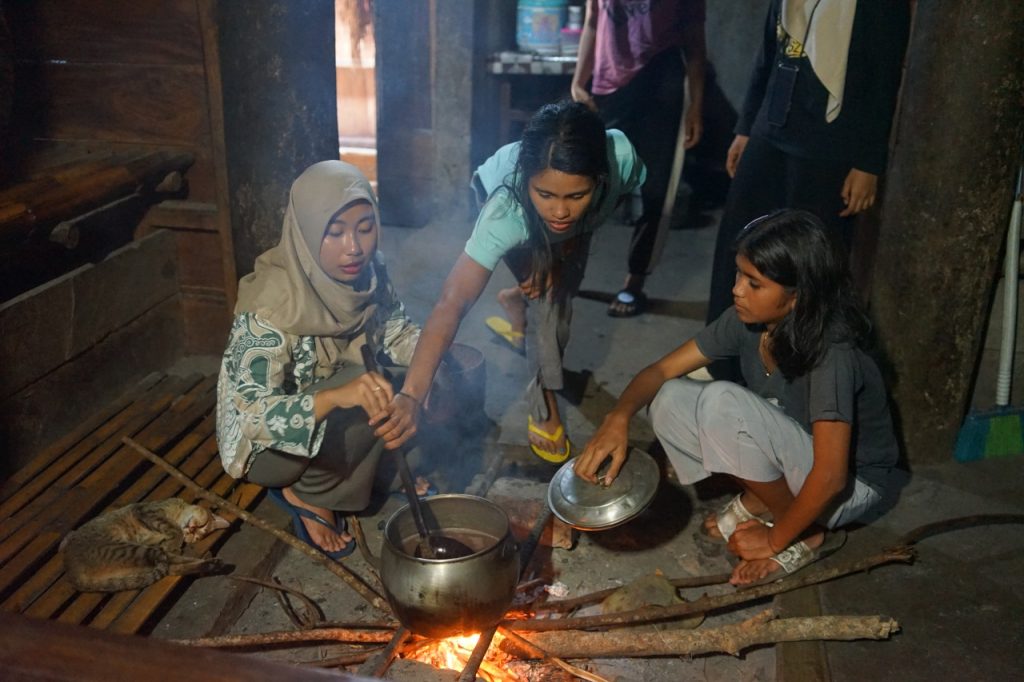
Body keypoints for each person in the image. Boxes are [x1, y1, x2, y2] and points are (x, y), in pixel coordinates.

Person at [575, 210, 898, 586]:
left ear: (797, 297)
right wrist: (619, 417)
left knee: (721, 402)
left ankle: (803, 533)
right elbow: (659, 372)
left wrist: (774, 539)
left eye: (754, 283)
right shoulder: (750, 321)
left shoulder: (832, 356)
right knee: (668, 397)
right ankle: (764, 499)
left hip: (850, 488)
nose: (737, 290)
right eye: (739, 274)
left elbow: (830, 476)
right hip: (799, 452)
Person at [380, 100, 646, 464]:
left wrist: (568, 244)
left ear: (599, 177)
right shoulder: (505, 211)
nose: (560, 210)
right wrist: (411, 394)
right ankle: (544, 403)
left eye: (576, 195)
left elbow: (599, 208)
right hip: (501, 199)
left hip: (570, 227)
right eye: (547, 194)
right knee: (551, 303)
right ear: (528, 180)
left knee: (562, 284)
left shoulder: (621, 158)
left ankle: (517, 300)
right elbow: (452, 302)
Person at [215, 160, 428, 560]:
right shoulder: (270, 306)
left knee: (416, 374)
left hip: (339, 398)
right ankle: (308, 495)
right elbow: (252, 418)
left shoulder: (369, 272)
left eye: (365, 228)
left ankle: (371, 471)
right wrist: (335, 397)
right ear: (307, 232)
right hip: (267, 451)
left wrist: (433, 359)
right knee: (364, 383)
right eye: (335, 232)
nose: (354, 246)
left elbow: (396, 331)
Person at [705, 0, 910, 358]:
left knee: (811, 265)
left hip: (829, 146)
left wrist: (869, 164)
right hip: (770, 130)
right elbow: (768, 55)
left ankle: (796, 362)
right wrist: (746, 128)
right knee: (740, 243)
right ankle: (723, 355)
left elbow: (884, 77)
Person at [570, 0, 707, 317]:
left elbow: (696, 44)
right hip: (609, 88)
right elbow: (593, 19)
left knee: (656, 190)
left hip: (661, 84)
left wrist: (695, 105)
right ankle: (566, 268)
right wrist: (579, 81)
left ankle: (634, 282)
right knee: (592, 185)